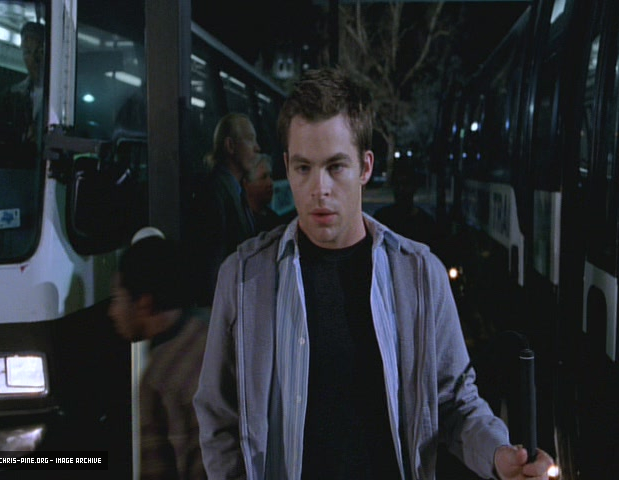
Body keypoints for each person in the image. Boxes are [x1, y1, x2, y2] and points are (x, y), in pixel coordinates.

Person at [194, 68, 554, 479]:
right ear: (287, 167)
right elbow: (218, 416)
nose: (319, 188)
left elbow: (454, 402)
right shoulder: (244, 278)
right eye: (303, 168)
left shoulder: (419, 275)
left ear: (365, 167)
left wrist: (498, 455)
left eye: (335, 167)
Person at [109, 227, 208, 479]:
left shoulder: (158, 378)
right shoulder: (209, 334)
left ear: (144, 303)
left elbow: (156, 470)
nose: (113, 312)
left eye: (117, 298)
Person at [189, 113, 260, 305]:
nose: (257, 148)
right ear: (230, 146)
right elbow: (212, 262)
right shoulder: (214, 192)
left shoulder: (234, 189)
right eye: (250, 139)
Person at [374, 155, 445, 249]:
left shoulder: (426, 224)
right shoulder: (381, 219)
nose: (401, 189)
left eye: (405, 184)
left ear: (414, 187)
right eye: (397, 184)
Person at [242, 153, 286, 233]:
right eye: (263, 177)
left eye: (270, 176)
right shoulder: (240, 222)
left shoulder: (275, 221)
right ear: (246, 184)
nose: (270, 183)